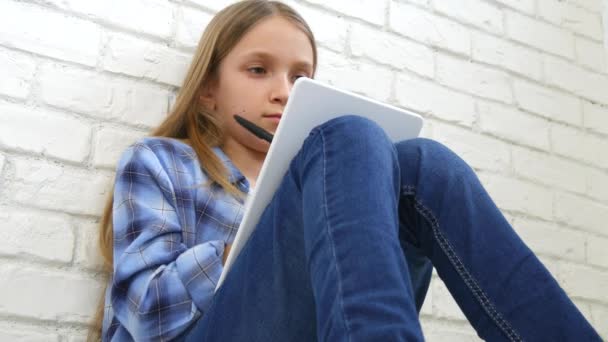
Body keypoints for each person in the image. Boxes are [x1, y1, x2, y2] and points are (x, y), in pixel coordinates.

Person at [89, 1, 601, 341]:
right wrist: (235, 250)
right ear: (208, 90)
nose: (283, 91)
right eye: (258, 69)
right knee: (349, 134)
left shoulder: (322, 180)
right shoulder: (161, 161)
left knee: (424, 163)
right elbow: (145, 312)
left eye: (300, 76)